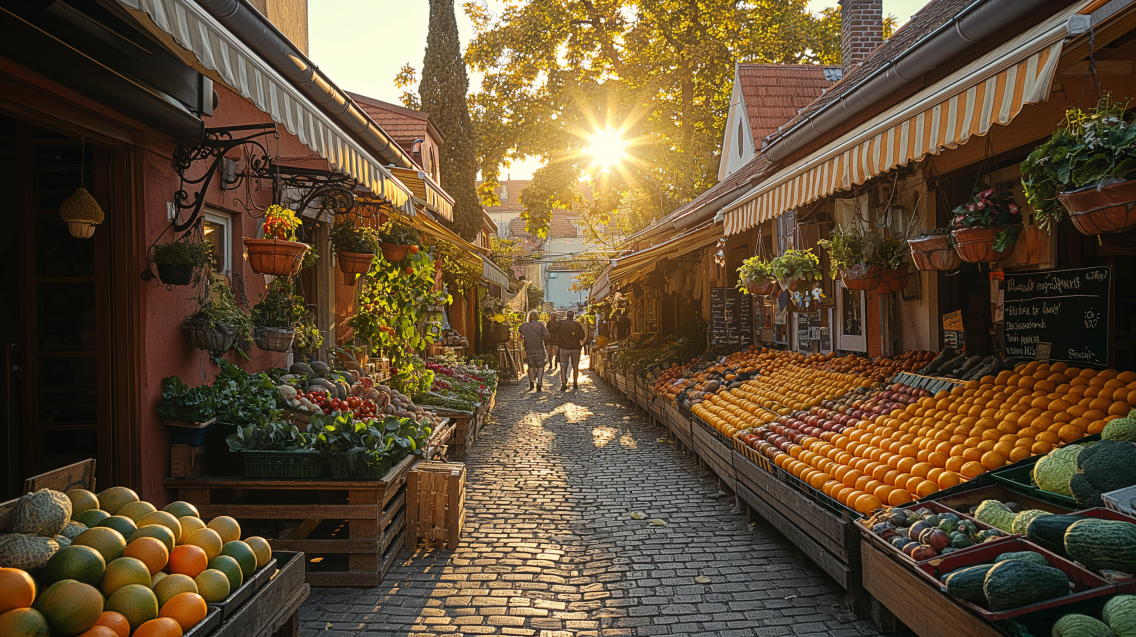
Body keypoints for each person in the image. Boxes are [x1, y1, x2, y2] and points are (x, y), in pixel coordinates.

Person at [519, 311, 551, 391]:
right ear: (537, 317)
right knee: (540, 365)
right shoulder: (540, 325)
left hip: (529, 348)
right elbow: (547, 335)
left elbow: (519, 334)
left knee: (531, 366)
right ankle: (539, 382)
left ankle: (531, 383)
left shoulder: (524, 326)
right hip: (539, 347)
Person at [557, 310, 586, 391]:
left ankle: (563, 383)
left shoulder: (561, 324)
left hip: (564, 347)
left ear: (566, 316)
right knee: (575, 366)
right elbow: (582, 336)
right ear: (573, 316)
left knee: (563, 365)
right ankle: (575, 383)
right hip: (575, 347)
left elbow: (554, 330)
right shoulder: (577, 325)